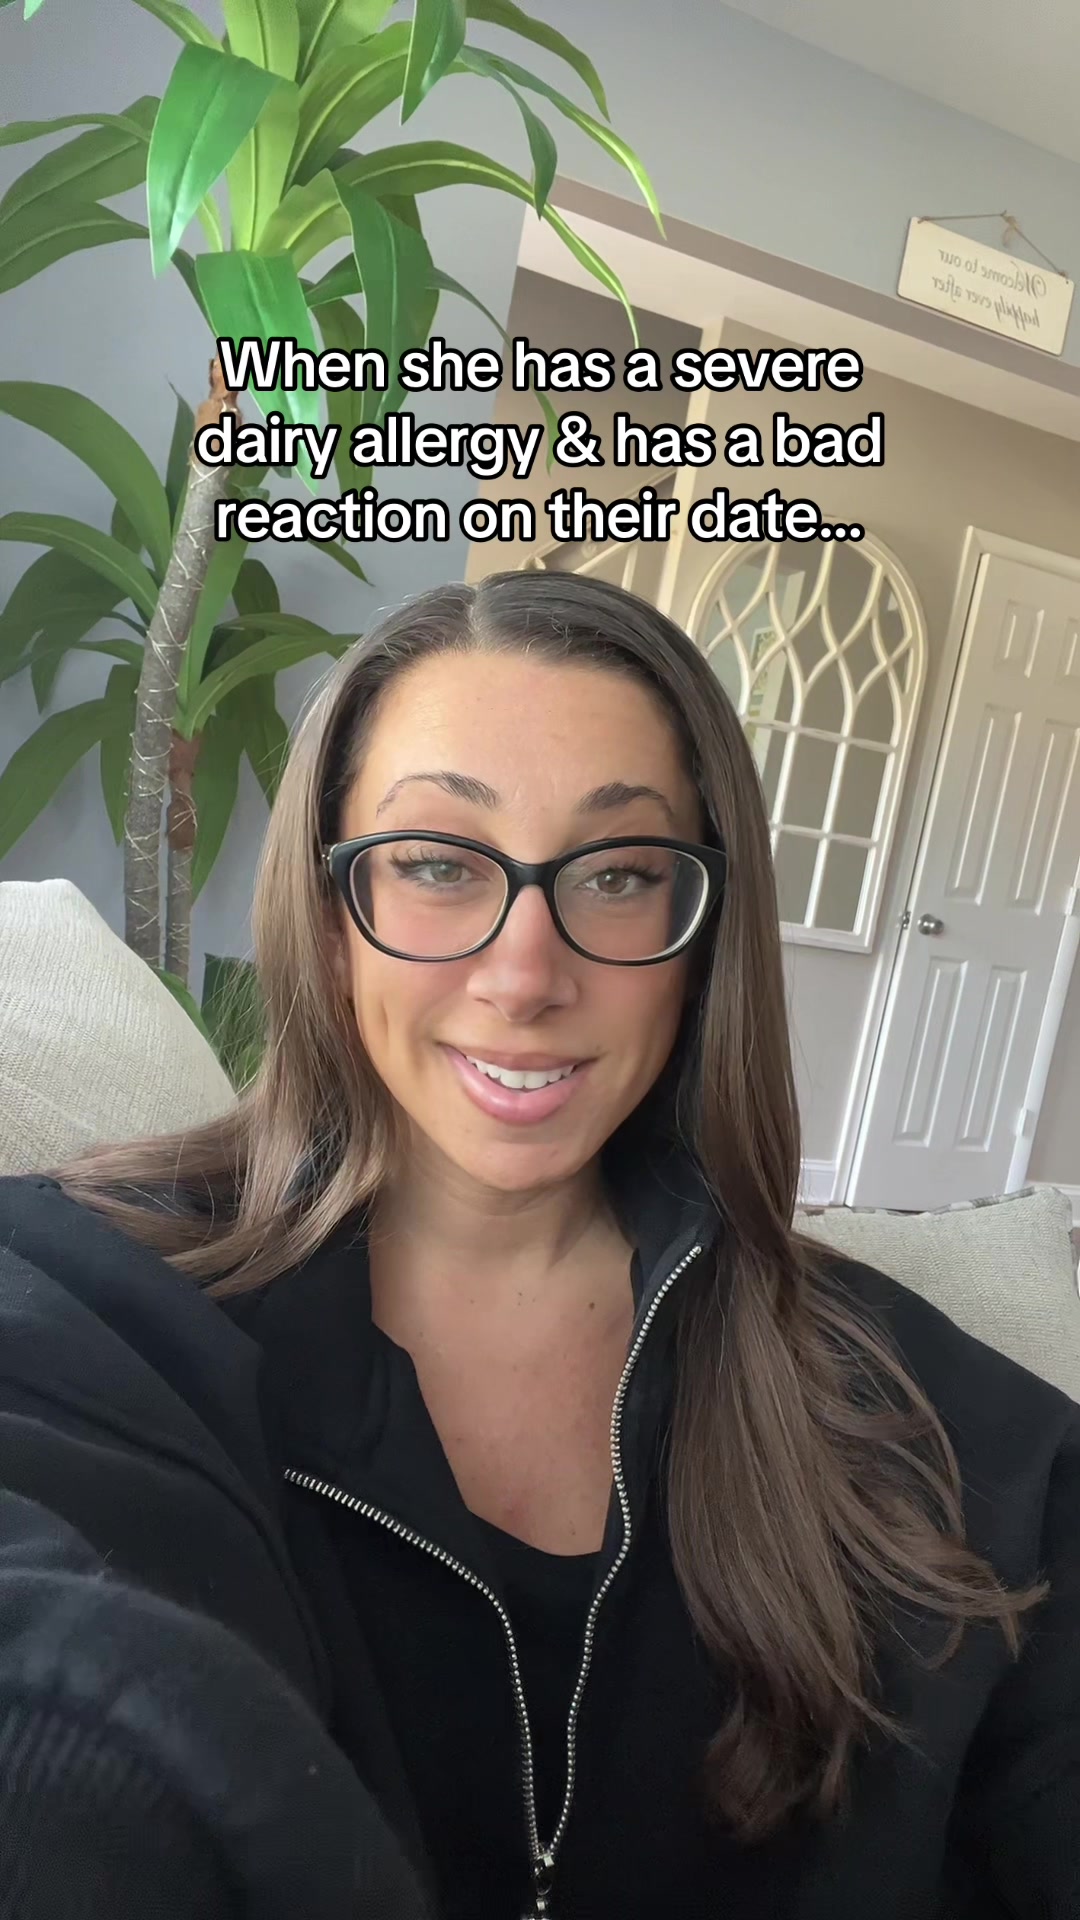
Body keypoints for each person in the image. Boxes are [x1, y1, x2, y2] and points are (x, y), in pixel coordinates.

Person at [0, 570, 1078, 1920]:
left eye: (618, 875)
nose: (523, 976)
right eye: (438, 864)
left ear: (699, 939)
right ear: (330, 915)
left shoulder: (945, 1431)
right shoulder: (88, 1301)